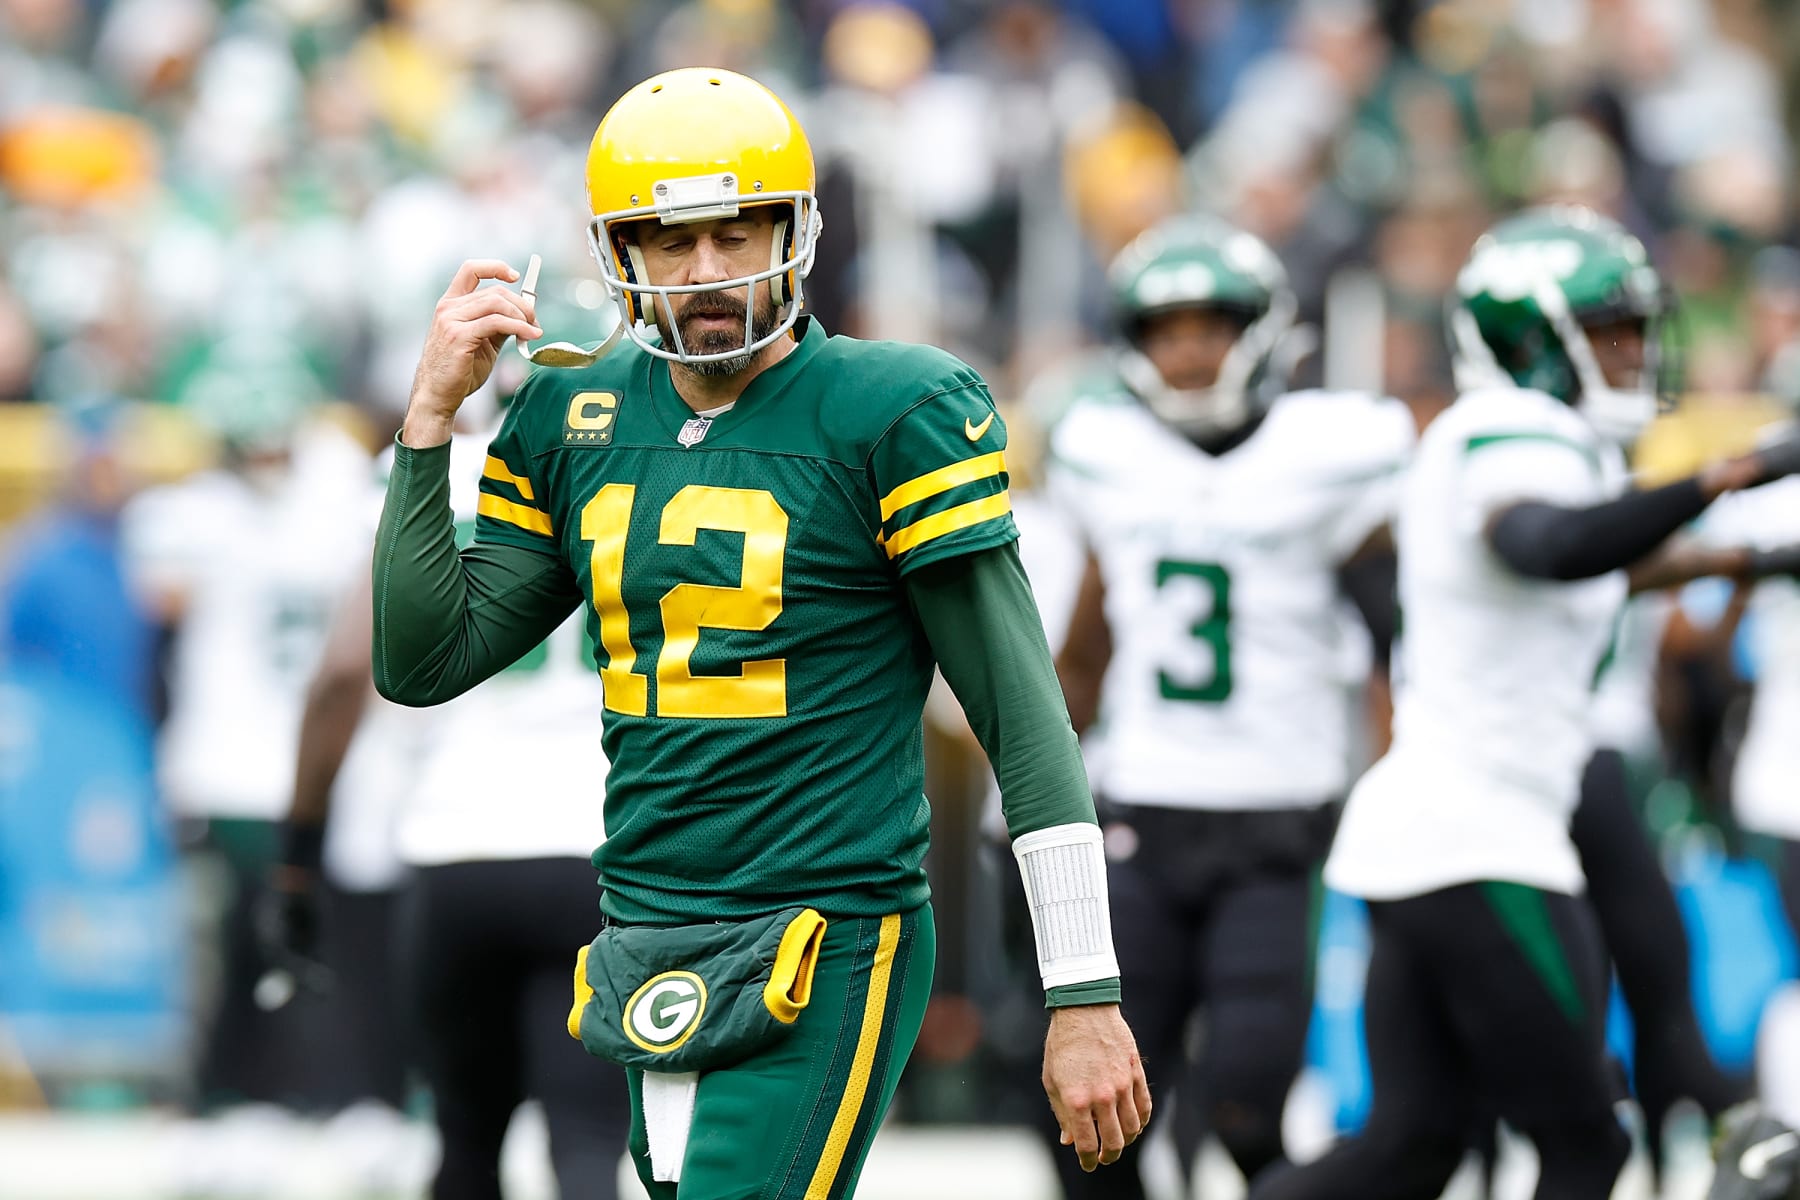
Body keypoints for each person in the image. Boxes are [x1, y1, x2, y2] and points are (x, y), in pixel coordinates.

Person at [368, 66, 1149, 1198]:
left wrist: (1082, 991)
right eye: (672, 244)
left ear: (798, 230)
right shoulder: (574, 412)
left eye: (738, 235)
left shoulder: (895, 407)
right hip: (646, 920)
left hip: (828, 925)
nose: (709, 274)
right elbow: (423, 658)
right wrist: (431, 421)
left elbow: (1020, 714)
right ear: (620, 254)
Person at [1254, 205, 1800, 1200]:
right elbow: (1547, 547)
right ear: (1533, 342)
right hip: (1484, 837)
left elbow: (1606, 565)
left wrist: (1760, 554)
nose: (1635, 353)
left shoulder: (1522, 442)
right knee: (1587, 1142)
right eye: (1609, 332)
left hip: (1435, 833)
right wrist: (1735, 471)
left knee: (1415, 1140)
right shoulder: (1514, 430)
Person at [1044, 213, 1412, 1196]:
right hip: (1142, 806)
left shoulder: (1335, 450)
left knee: (1249, 1091)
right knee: (1099, 1107)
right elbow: (1088, 637)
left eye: (1210, 325)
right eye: (1165, 330)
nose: (1190, 350)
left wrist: (1398, 780)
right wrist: (1032, 783)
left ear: (1262, 328)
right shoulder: (1104, 452)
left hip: (1278, 812)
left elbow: (1395, 645)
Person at [265, 412, 631, 1200]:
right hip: (598, 843)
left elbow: (338, 675)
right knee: (590, 1139)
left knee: (464, 1141)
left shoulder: (448, 468)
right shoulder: (653, 455)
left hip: (454, 836)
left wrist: (296, 848)